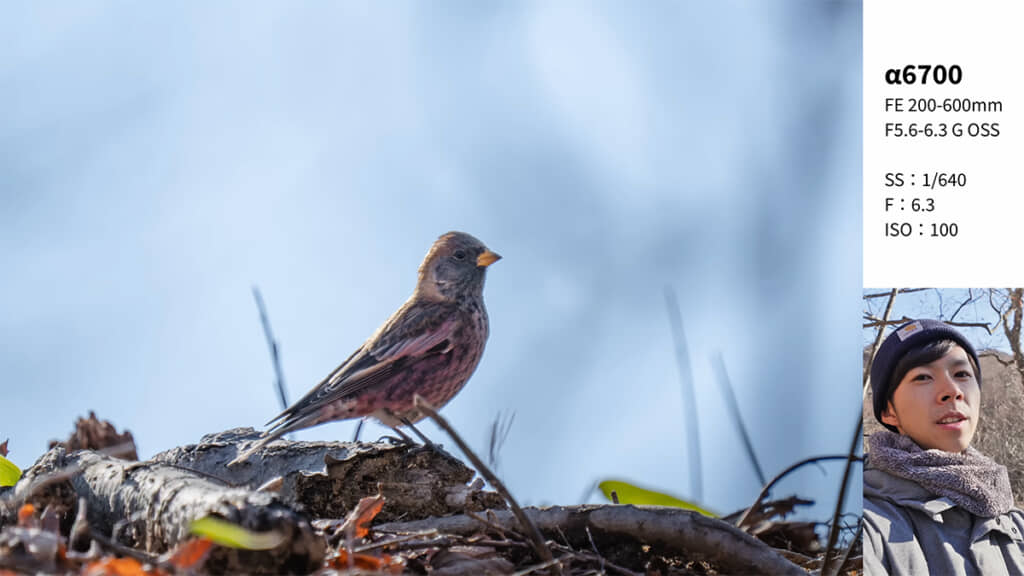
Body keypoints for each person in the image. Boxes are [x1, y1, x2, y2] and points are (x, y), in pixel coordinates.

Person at [864, 319, 1024, 575]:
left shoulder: (1014, 522)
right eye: (923, 377)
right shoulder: (868, 526)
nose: (952, 391)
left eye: (962, 374)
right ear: (888, 411)